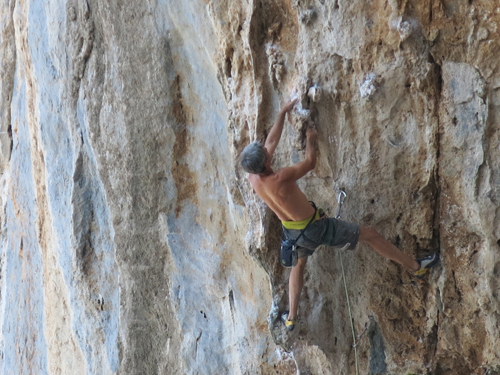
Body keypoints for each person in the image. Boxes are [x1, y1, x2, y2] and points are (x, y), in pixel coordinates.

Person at [240, 99, 440, 331]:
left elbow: (271, 141)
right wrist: (311, 141)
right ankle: (417, 266)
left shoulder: (254, 179)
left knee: (299, 264)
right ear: (266, 161)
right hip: (317, 229)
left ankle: (291, 317)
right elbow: (310, 162)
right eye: (266, 153)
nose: (268, 149)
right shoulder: (281, 177)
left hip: (293, 233)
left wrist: (283, 111)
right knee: (371, 234)